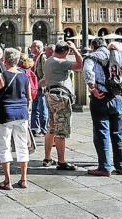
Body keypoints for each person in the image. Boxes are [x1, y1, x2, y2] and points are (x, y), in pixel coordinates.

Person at [84, 38, 122, 176]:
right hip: (117, 98)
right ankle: (121, 166)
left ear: (93, 47)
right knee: (118, 133)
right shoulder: (118, 55)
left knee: (102, 133)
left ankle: (104, 168)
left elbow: (87, 71)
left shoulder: (91, 56)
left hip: (100, 98)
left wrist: (92, 88)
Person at [0, 48, 31, 190]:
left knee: (5, 147)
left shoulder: (1, 76)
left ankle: (7, 181)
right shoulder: (25, 76)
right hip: (22, 114)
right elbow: (29, 97)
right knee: (22, 146)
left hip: (5, 114)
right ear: (17, 60)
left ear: (4, 60)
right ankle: (23, 179)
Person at [42, 41, 83, 170]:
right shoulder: (60, 62)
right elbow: (80, 65)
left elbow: (45, 80)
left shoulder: (48, 60)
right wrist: (75, 50)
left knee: (51, 128)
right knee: (61, 130)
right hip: (60, 97)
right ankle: (61, 161)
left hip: (50, 95)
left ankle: (47, 157)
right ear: (65, 52)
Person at [30, 40, 48, 137]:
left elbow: (46, 72)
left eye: (32, 46)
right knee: (35, 107)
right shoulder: (34, 57)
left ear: (38, 47)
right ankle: (34, 127)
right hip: (35, 86)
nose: (31, 48)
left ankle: (44, 129)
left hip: (41, 87)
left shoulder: (43, 57)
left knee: (42, 108)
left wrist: (43, 84)